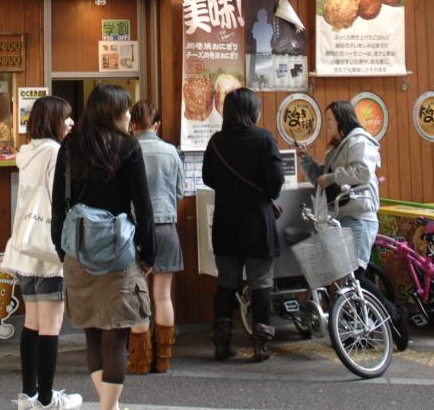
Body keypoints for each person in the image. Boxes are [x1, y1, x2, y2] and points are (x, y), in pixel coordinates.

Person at [51, 84, 154, 410]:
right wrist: (148, 254)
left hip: (78, 252)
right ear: (114, 112)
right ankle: (109, 407)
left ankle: (109, 405)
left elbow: (58, 205)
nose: (129, 115)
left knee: (92, 335)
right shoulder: (128, 147)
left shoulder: (70, 145)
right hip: (117, 253)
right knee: (116, 338)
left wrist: (63, 251)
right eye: (126, 109)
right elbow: (143, 207)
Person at [0, 95, 82, 410]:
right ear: (52, 120)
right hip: (47, 249)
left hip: (24, 246)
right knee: (51, 326)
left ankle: (29, 394)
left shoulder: (26, 152)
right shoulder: (54, 152)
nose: (71, 122)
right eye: (66, 117)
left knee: (32, 323)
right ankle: (47, 400)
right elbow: (59, 199)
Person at [202, 87, 284, 363]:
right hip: (258, 223)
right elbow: (275, 185)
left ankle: (221, 344)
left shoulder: (216, 142)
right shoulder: (265, 139)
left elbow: (208, 178)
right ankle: (261, 346)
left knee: (226, 283)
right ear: (252, 111)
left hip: (226, 222)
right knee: (261, 283)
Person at [127, 100, 184, 374]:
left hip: (133, 229)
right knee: (163, 296)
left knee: (138, 296)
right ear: (157, 125)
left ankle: (139, 360)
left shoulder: (127, 150)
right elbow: (179, 191)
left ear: (132, 124)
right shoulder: (171, 152)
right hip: (165, 228)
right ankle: (163, 359)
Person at [301, 100, 382, 273]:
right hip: (341, 217)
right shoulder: (335, 149)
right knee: (348, 276)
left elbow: (363, 172)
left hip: (359, 218)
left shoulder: (359, 141)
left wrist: (331, 178)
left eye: (330, 119)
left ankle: (376, 294)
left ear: (342, 119)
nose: (327, 124)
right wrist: (306, 160)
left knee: (354, 275)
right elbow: (321, 180)